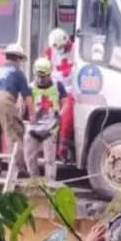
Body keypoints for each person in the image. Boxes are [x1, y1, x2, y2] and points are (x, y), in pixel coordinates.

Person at [0, 44, 33, 177]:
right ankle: (19, 169)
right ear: (18, 58)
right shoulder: (17, 72)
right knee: (14, 134)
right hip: (4, 100)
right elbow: (27, 96)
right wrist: (32, 115)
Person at [24, 57, 67, 182]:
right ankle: (35, 183)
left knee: (50, 160)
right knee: (29, 157)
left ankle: (50, 184)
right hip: (33, 128)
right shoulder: (30, 87)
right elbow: (24, 105)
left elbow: (65, 102)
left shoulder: (58, 86)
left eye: (43, 76)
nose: (40, 79)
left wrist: (61, 113)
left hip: (50, 128)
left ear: (49, 74)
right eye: (38, 76)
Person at [44, 28, 75, 160]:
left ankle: (62, 148)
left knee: (66, 114)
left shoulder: (77, 49)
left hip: (72, 90)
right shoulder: (50, 52)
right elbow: (45, 69)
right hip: (56, 88)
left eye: (62, 47)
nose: (60, 50)